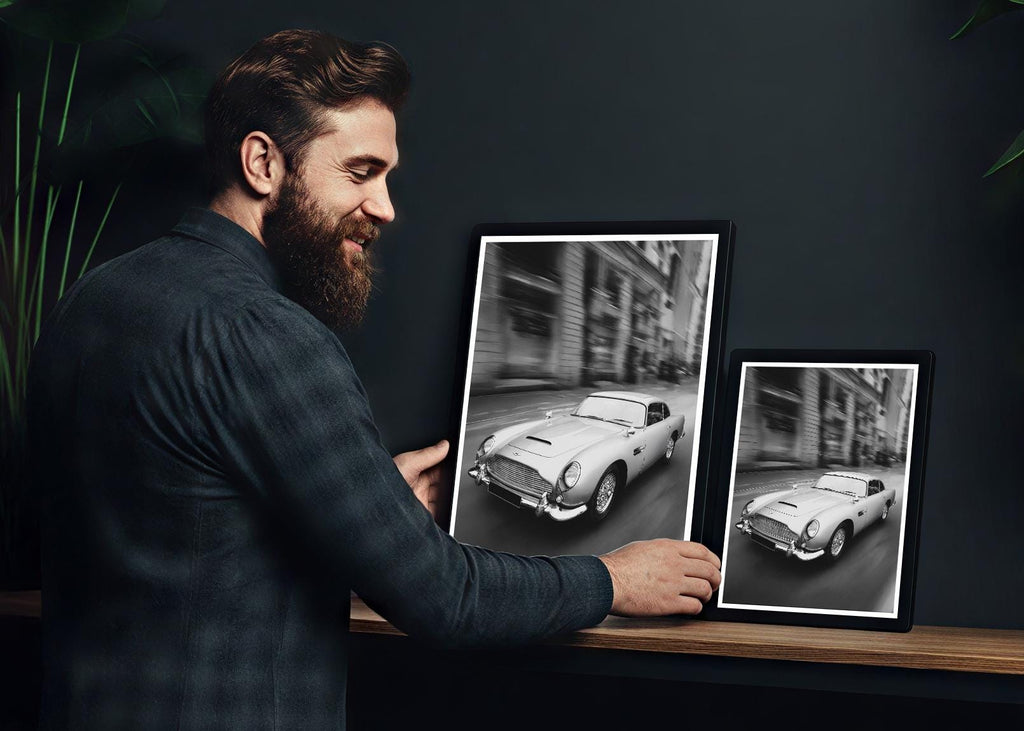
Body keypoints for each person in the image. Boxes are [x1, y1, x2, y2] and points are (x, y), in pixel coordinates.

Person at [27, 29, 721, 729]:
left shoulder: (89, 302)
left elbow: (181, 531)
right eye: (360, 172)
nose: (385, 206)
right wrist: (614, 578)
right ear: (263, 162)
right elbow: (445, 597)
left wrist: (370, 506)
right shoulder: (268, 334)